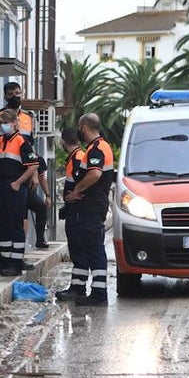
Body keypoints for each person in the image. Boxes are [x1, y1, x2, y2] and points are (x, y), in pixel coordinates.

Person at [64, 113, 116, 306]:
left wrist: (77, 190)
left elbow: (94, 173)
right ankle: (89, 290)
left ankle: (99, 294)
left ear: (84, 127)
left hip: (92, 207)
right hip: (93, 206)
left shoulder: (96, 148)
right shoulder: (99, 147)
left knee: (94, 249)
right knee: (90, 247)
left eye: (79, 126)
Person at [0, 109, 39, 276]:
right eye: (1, 123)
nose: (3, 126)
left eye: (6, 122)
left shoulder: (22, 141)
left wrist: (18, 182)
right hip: (1, 186)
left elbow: (33, 165)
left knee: (15, 224)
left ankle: (15, 264)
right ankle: (3, 262)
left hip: (14, 188)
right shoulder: (1, 141)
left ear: (16, 123)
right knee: (3, 224)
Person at [55, 126, 88, 301]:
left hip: (77, 212)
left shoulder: (77, 158)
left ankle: (78, 288)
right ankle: (77, 286)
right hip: (74, 211)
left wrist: (72, 202)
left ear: (63, 141)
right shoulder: (77, 157)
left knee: (78, 251)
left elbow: (79, 184)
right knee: (77, 251)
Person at [25, 157, 52, 249]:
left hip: (29, 192)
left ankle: (40, 239)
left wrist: (47, 195)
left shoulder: (37, 159)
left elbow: (42, 177)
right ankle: (20, 242)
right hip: (18, 190)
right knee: (22, 217)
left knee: (42, 208)